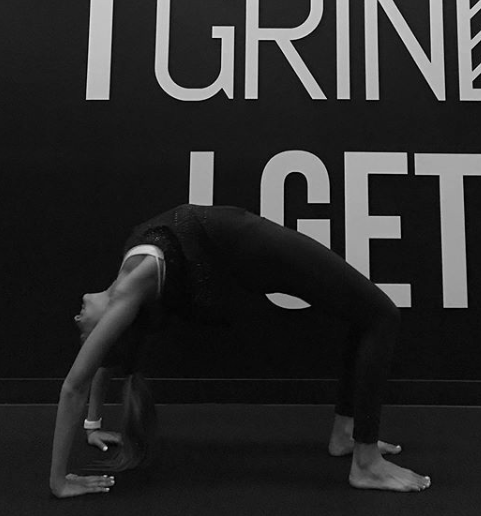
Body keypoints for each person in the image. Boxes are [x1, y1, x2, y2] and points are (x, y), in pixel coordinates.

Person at [49, 204, 431, 498]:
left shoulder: (127, 285)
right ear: (109, 325)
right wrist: (58, 481)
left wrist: (93, 426)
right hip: (253, 246)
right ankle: (366, 464)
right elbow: (74, 385)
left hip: (249, 254)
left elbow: (103, 363)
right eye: (83, 330)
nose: (76, 317)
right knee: (382, 315)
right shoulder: (131, 288)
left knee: (365, 316)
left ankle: (346, 435)